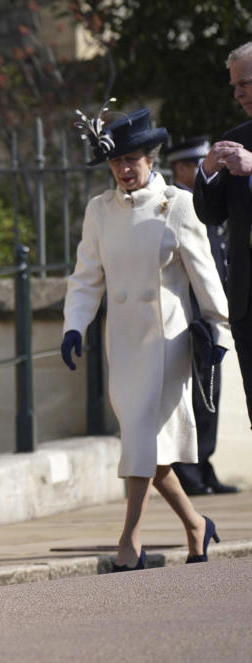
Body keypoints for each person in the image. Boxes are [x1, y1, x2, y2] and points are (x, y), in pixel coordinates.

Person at [61, 106, 231, 570]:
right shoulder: (99, 211)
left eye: (133, 159)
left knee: (140, 437)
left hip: (167, 343)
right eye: (117, 161)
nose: (124, 169)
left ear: (151, 159)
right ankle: (196, 525)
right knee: (149, 449)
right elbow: (85, 277)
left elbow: (204, 274)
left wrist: (217, 327)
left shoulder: (177, 204)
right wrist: (75, 324)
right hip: (125, 345)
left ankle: (129, 540)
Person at [167, 137, 239, 495]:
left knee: (210, 392)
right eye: (196, 164)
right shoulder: (175, 202)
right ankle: (189, 474)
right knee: (192, 395)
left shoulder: (206, 199)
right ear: (181, 168)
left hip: (210, 312)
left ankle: (204, 465)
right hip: (187, 313)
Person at [194, 40, 252, 432]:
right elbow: (210, 214)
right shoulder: (237, 137)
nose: (238, 93)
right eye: (234, 86)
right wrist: (208, 171)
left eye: (245, 83)